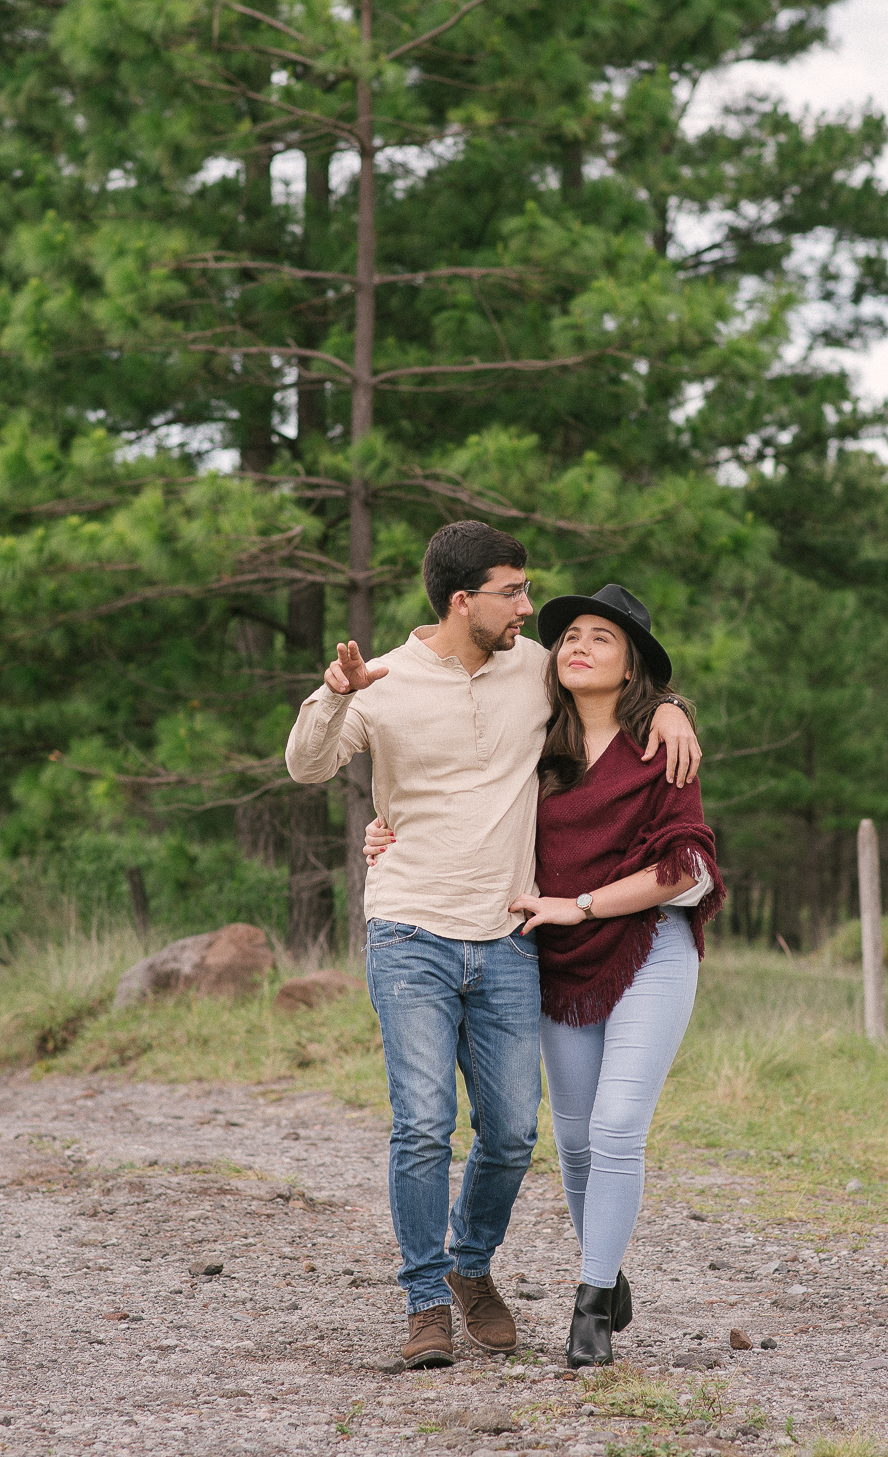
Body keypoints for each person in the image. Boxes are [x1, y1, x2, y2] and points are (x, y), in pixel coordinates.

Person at [283, 522, 701, 1371]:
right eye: (513, 591)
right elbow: (306, 766)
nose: (529, 608)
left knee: (513, 1134)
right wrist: (333, 694)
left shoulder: (534, 669)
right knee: (424, 1125)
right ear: (461, 599)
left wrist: (673, 708)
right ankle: (426, 1301)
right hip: (409, 930)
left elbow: (616, 688)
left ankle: (472, 1264)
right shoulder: (384, 681)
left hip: (509, 937)